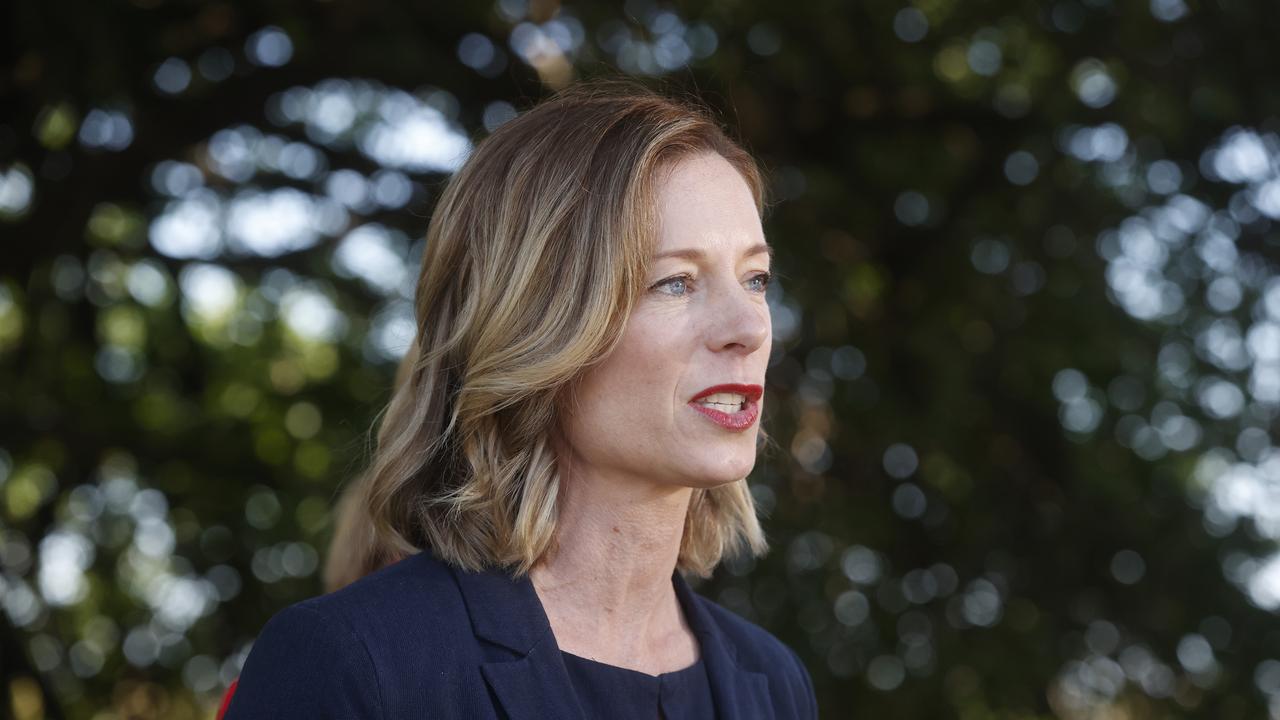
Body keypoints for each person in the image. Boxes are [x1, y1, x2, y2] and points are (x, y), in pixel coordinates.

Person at [222, 80, 818, 719]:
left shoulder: (774, 684)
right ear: (538, 322)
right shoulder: (354, 662)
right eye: (674, 282)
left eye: (755, 278)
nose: (751, 329)